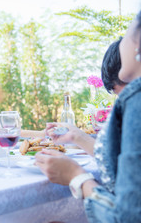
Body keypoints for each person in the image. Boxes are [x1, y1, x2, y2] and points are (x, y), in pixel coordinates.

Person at [35, 11, 141, 222]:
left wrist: (77, 178)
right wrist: (78, 136)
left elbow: (127, 217)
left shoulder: (136, 101)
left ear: (137, 43)